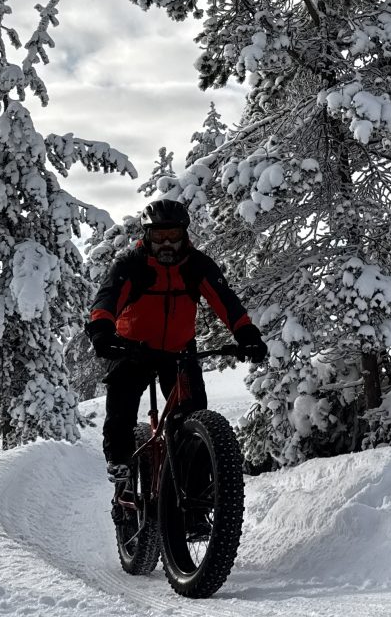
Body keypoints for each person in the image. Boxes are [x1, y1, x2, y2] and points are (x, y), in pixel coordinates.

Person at [87, 198, 266, 484]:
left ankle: (194, 497)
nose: (166, 243)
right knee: (121, 403)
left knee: (193, 416)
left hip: (179, 351)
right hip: (133, 349)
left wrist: (247, 334)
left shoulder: (196, 265)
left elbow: (226, 302)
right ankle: (119, 462)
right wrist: (101, 330)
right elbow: (107, 299)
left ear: (185, 235)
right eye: (159, 237)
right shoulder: (131, 265)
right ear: (147, 236)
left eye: (174, 236)